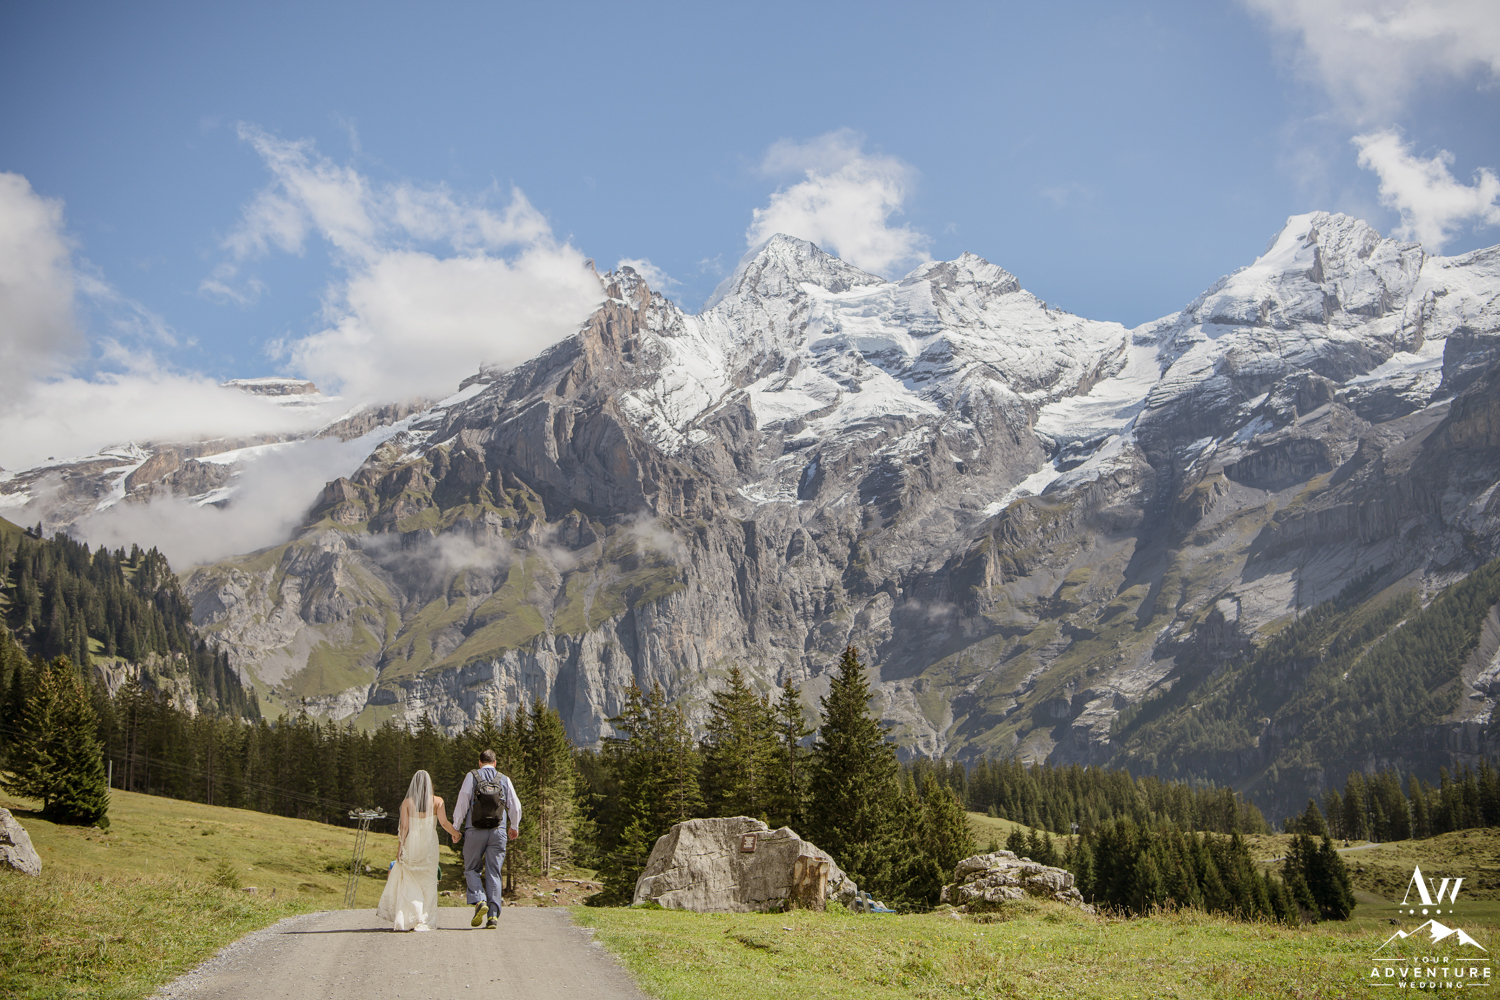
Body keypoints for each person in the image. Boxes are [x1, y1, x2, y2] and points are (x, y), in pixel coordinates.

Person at [376, 769, 459, 931]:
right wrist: (456, 834)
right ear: (430, 785)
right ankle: (425, 919)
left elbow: (405, 827)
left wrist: (400, 849)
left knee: (410, 880)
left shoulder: (407, 803)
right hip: (429, 845)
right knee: (428, 881)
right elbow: (443, 823)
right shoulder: (438, 802)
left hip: (412, 843)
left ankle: (408, 918)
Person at [451, 749, 522, 928]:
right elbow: (515, 805)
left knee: (472, 869)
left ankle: (480, 900)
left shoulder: (472, 776)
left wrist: (455, 827)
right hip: (498, 831)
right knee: (494, 872)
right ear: (495, 763)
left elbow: (463, 801)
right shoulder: (504, 779)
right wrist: (514, 826)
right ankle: (493, 916)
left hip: (475, 830)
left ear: (480, 762)